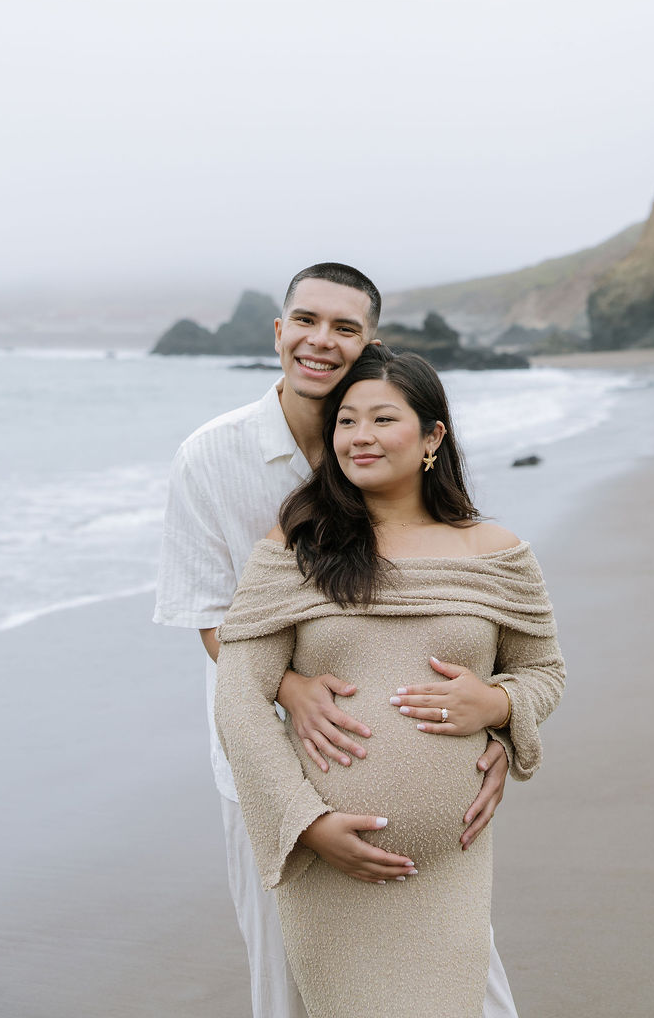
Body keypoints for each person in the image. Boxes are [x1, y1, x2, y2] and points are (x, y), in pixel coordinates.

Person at [154, 263, 515, 1018]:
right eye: (307, 321)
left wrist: (501, 721)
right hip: (267, 771)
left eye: (345, 328)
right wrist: (288, 687)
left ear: (369, 344)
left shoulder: (392, 444)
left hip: (428, 789)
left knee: (469, 984)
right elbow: (209, 612)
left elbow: (462, 612)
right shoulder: (209, 458)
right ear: (279, 331)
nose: (321, 341)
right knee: (288, 985)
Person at [214, 346, 565, 1018]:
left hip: (450, 867)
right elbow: (239, 697)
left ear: (433, 436)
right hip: (329, 872)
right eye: (346, 422)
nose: (360, 437)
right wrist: (306, 823)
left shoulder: (496, 553)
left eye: (382, 419)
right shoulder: (296, 547)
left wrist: (497, 704)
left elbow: (544, 671)